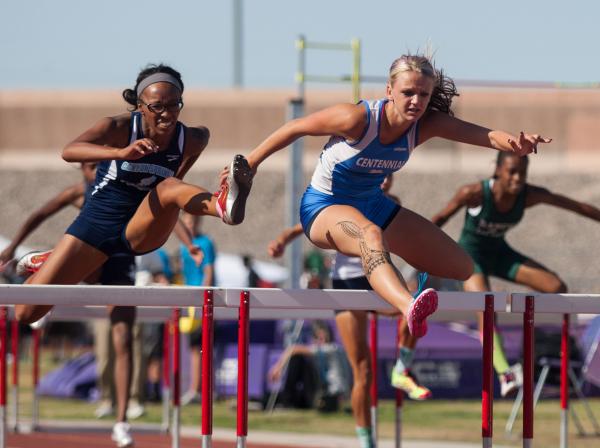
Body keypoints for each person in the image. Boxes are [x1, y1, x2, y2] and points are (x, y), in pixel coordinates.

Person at [233, 52, 549, 347]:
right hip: (323, 207)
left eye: (423, 95)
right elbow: (294, 127)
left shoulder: (424, 126)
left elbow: (485, 135)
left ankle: (393, 284)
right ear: (389, 90)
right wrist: (249, 165)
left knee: (461, 266)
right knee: (371, 234)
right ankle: (408, 306)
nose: (416, 101)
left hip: (373, 205)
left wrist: (515, 143)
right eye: (408, 93)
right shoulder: (356, 118)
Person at [11, 64, 253, 448]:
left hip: (138, 232)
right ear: (140, 105)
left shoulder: (193, 138)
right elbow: (69, 150)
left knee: (170, 187)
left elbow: (171, 189)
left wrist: (187, 237)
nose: (166, 114)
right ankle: (48, 261)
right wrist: (119, 151)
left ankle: (222, 204)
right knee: (26, 313)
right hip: (96, 225)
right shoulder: (120, 126)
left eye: (174, 105)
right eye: (157, 107)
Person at [268, 175, 430, 448]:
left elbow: (404, 239)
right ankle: (367, 442)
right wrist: (283, 239)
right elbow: (305, 226)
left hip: (380, 278)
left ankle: (402, 368)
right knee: (363, 371)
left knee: (416, 304)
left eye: (389, 175)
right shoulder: (346, 200)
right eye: (380, 175)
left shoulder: (393, 204)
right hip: (347, 282)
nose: (384, 180)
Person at [0, 162, 148, 443]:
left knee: (124, 338)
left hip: (120, 263)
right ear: (82, 169)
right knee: (86, 259)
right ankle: (50, 266)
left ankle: (122, 422)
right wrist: (13, 245)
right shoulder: (79, 192)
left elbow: (166, 210)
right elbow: (40, 213)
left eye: (99, 167)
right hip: (91, 260)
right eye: (90, 167)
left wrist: (189, 243)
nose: (95, 172)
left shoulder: (130, 189)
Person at [431, 151, 600, 396]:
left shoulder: (530, 195)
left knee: (556, 288)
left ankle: (528, 354)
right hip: (470, 258)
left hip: (500, 254)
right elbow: (439, 219)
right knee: (485, 307)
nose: (517, 178)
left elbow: (576, 206)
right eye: (512, 172)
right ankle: (505, 373)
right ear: (498, 170)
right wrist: (419, 252)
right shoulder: (474, 193)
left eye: (522, 172)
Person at [268, 320, 348, 412]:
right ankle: (288, 400)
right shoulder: (329, 351)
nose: (320, 340)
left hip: (334, 394)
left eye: (323, 337)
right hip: (322, 389)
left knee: (297, 358)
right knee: (299, 359)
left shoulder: (332, 349)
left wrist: (278, 367)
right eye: (317, 337)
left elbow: (293, 349)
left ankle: (288, 401)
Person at [178, 213, 216, 405]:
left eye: (192, 222)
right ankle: (195, 389)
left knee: (201, 347)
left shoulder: (206, 243)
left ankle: (198, 389)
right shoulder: (182, 246)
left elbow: (208, 272)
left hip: (201, 300)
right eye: (185, 222)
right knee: (192, 347)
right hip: (188, 299)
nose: (189, 225)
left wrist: (203, 300)